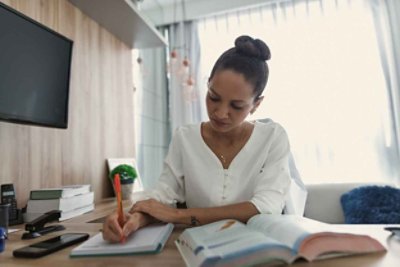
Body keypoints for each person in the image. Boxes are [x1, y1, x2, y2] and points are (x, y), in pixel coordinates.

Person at [103, 35, 291, 243]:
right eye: (213, 97)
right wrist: (133, 219)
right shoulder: (185, 137)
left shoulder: (273, 137)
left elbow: (266, 206)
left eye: (236, 106)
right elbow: (164, 194)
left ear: (256, 104)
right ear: (208, 84)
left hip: (257, 248)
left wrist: (178, 216)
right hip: (198, 248)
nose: (220, 113)